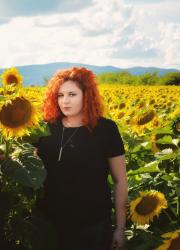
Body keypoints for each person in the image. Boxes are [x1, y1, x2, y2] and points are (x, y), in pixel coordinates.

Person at [33, 67, 128, 250]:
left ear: (87, 95)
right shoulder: (45, 129)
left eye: (72, 94)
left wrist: (120, 228)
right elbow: (21, 158)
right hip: (48, 223)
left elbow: (120, 181)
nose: (65, 101)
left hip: (92, 225)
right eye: (60, 95)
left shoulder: (105, 129)